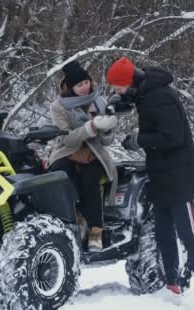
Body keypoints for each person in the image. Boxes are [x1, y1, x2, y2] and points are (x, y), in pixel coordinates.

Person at [106, 57, 194, 310]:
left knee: (187, 230)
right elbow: (136, 102)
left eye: (118, 87)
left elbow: (173, 137)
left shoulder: (160, 96)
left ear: (129, 82)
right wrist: (114, 105)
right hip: (161, 172)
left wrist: (138, 140)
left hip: (179, 172)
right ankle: (173, 285)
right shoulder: (145, 93)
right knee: (163, 231)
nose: (116, 92)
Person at [48, 60, 118, 252]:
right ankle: (74, 221)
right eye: (79, 85)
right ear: (70, 87)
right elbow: (66, 139)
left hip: (94, 153)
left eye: (86, 82)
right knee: (59, 178)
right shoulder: (59, 107)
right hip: (67, 152)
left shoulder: (99, 101)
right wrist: (90, 127)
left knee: (90, 180)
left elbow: (107, 141)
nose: (85, 87)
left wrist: (108, 127)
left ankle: (96, 232)